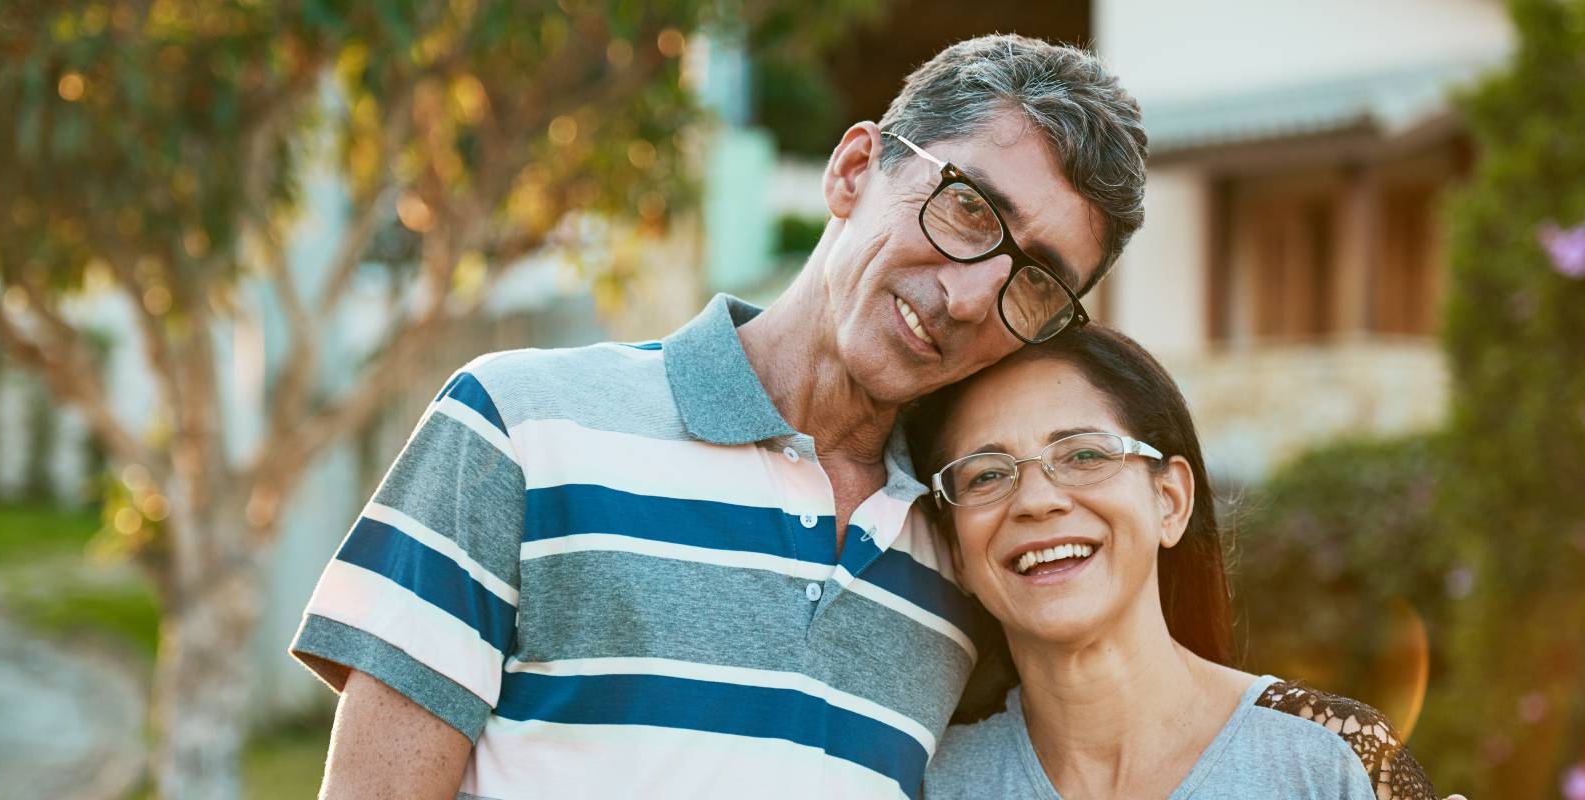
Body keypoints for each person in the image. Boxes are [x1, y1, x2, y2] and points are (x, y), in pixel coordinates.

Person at [288, 34, 1151, 799]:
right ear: (855, 170)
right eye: (968, 208)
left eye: (1034, 280)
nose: (971, 296)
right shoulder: (521, 425)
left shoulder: (972, 557)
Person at [906, 326, 1439, 799]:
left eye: (1085, 455)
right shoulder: (923, 781)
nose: (1036, 500)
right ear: (956, 551)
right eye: (986, 475)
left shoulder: (1329, 762)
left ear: (1171, 501)